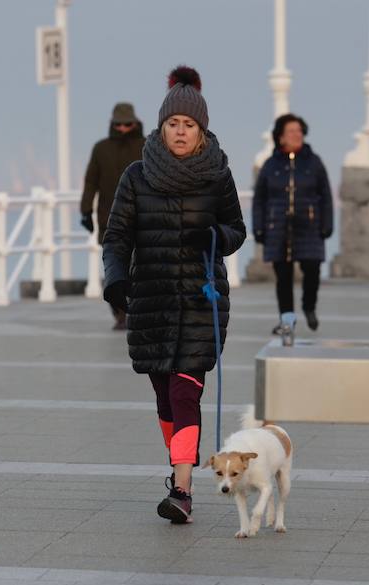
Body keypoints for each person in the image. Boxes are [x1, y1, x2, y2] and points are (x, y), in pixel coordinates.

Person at [102, 66, 246, 524]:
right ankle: (178, 468)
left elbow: (237, 229)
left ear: (201, 130)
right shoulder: (136, 176)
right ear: (161, 127)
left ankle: (181, 491)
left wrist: (216, 236)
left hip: (203, 302)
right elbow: (117, 237)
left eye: (189, 125)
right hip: (152, 301)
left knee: (186, 395)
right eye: (173, 124)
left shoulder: (217, 175)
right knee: (165, 400)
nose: (180, 132)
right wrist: (115, 280)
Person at [252, 113, 334, 334]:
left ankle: (309, 307)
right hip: (277, 227)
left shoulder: (314, 162)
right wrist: (258, 227)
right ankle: (287, 320)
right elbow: (259, 198)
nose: (297, 135)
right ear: (280, 137)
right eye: (291, 131)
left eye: (299, 131)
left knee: (312, 269)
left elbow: (326, 194)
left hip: (309, 225)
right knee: (284, 277)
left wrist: (327, 224)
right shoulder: (270, 165)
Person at [80, 102, 145, 330]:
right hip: (109, 219)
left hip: (143, 219)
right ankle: (120, 315)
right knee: (114, 269)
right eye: (119, 124)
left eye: (128, 124)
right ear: (112, 124)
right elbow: (91, 181)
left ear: (135, 123)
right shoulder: (101, 149)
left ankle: (135, 311)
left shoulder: (147, 146)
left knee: (140, 266)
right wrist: (85, 211)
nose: (123, 128)